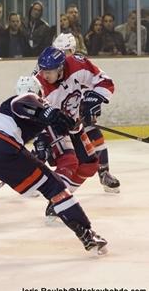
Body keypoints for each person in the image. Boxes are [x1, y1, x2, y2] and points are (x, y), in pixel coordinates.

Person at [0, 77, 108, 254]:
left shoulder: (3, 112)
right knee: (53, 186)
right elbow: (25, 102)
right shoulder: (23, 100)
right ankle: (87, 235)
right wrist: (51, 113)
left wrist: (72, 127)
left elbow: (46, 128)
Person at [33, 47, 115, 200]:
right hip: (54, 128)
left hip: (75, 126)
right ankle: (59, 199)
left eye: (49, 71)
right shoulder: (40, 86)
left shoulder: (77, 65)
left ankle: (59, 199)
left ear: (60, 68)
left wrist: (94, 99)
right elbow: (32, 117)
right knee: (68, 163)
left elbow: (104, 81)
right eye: (42, 70)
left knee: (89, 165)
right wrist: (42, 138)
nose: (44, 75)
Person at [51, 33, 120, 192]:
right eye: (58, 51)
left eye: (65, 51)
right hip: (56, 119)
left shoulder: (80, 64)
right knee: (43, 147)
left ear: (73, 50)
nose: (62, 55)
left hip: (76, 116)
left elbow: (96, 86)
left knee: (95, 137)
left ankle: (104, 173)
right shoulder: (48, 69)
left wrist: (91, 105)